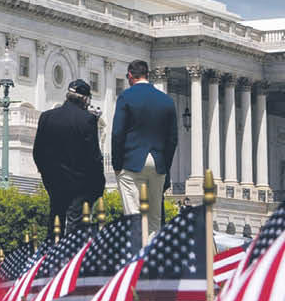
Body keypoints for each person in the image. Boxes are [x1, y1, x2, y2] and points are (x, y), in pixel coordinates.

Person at [110, 59, 178, 251]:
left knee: (133, 214)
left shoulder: (126, 97)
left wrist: (117, 164)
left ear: (130, 76)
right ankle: (151, 256)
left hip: (131, 161)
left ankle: (136, 258)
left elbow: (117, 133)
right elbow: (173, 139)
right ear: (147, 75)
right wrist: (165, 165)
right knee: (155, 217)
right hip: (157, 162)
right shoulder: (166, 100)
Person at [33, 79, 104, 230]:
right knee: (75, 223)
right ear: (84, 99)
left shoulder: (46, 116)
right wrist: (99, 182)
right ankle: (72, 251)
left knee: (56, 219)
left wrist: (46, 175)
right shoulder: (87, 120)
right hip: (80, 183)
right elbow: (93, 156)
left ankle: (52, 249)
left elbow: (37, 152)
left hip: (54, 181)